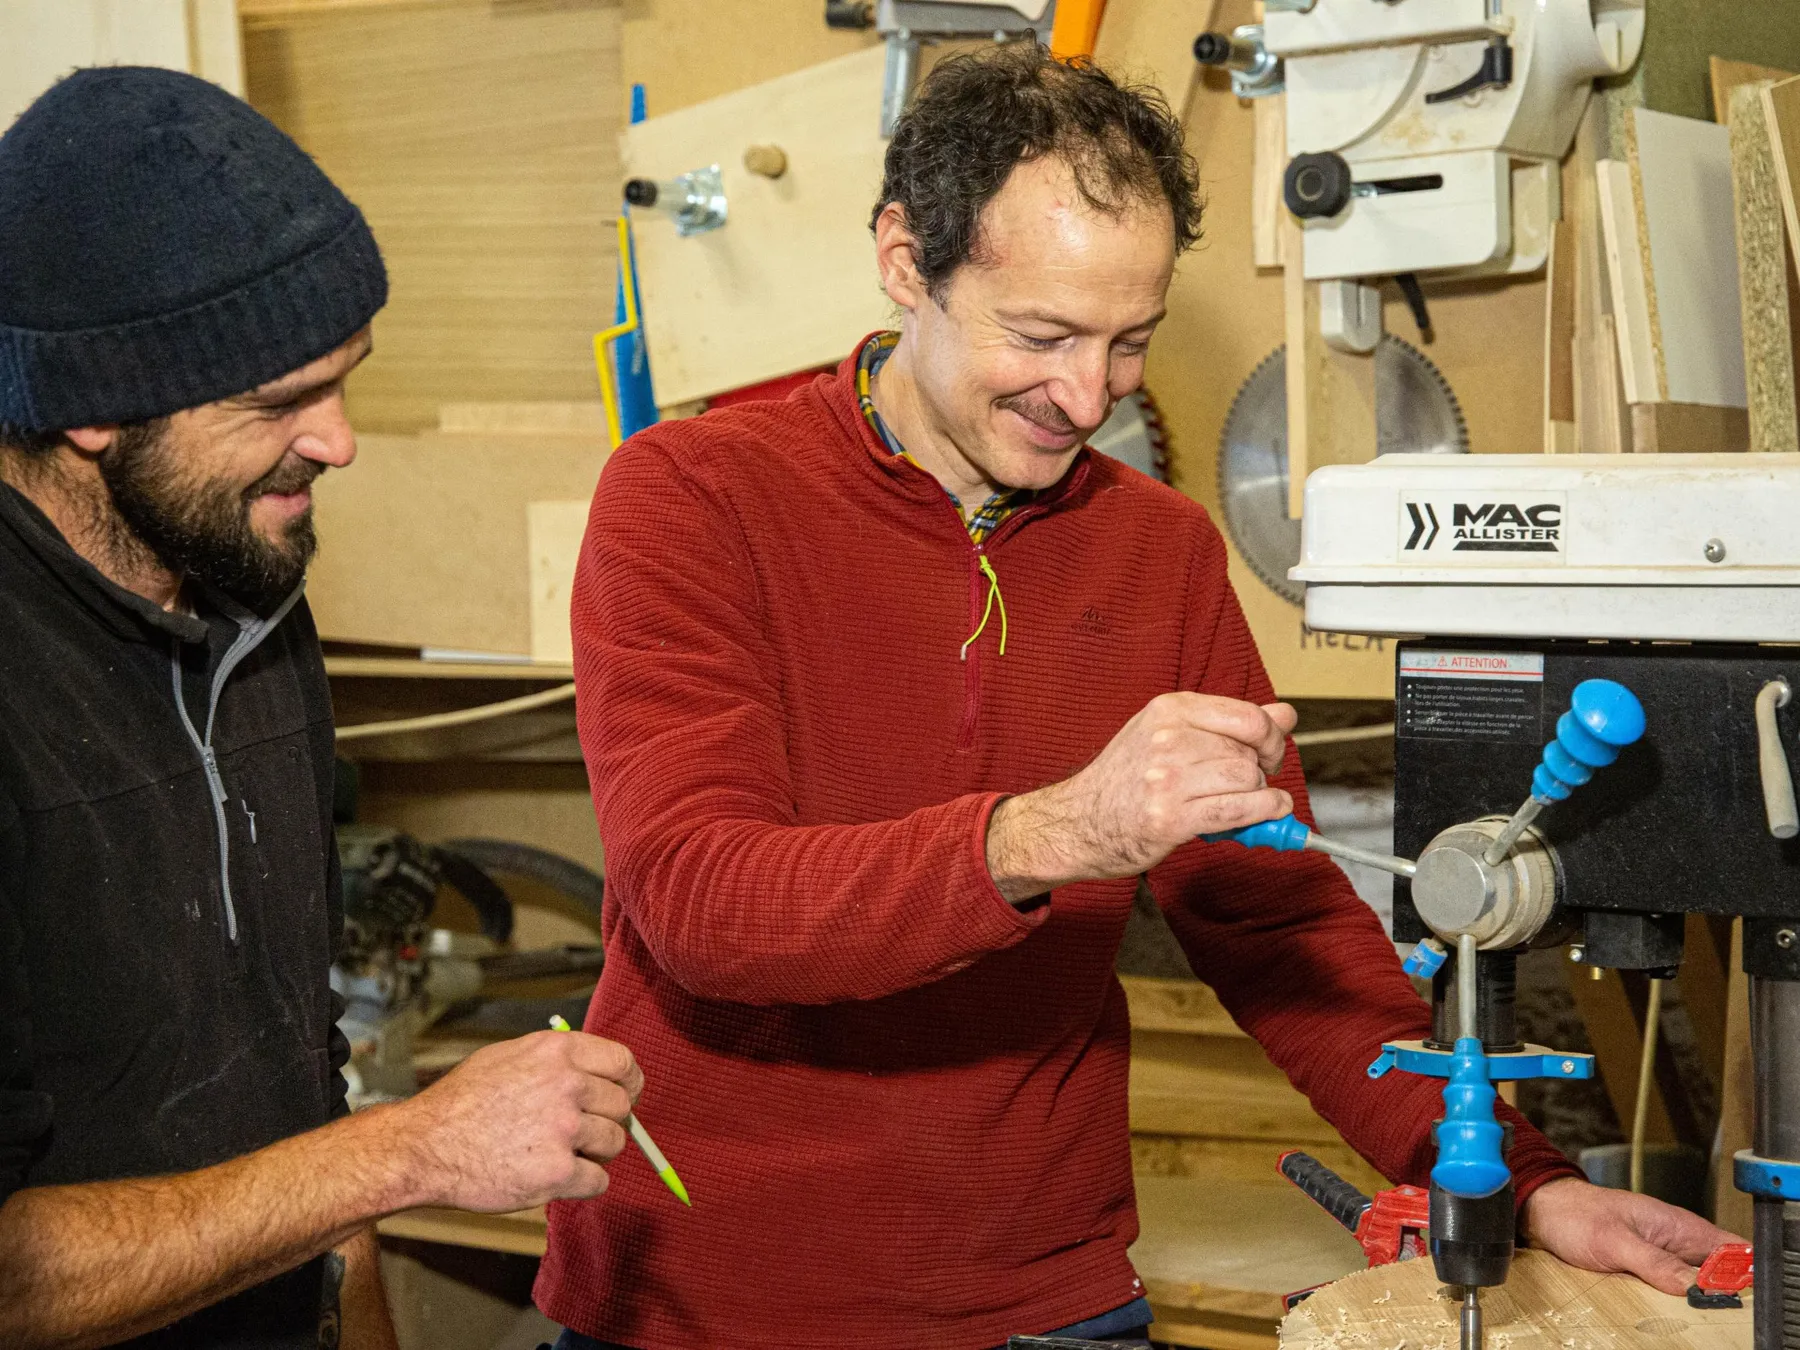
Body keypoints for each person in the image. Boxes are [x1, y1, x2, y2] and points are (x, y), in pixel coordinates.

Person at [535, 43, 1736, 1350]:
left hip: (1046, 1299)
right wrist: (1058, 832)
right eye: (1041, 334)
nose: (1088, 394)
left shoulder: (1157, 547)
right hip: (710, 1300)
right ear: (904, 261)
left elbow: (1277, 926)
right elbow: (706, 900)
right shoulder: (691, 498)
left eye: (1131, 341)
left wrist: (1526, 1180)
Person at [0, 68, 644, 1349]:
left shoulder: (249, 592)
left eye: (345, 379)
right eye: (280, 402)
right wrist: (412, 1153)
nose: (339, 441)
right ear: (89, 410)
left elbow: (301, 1080)